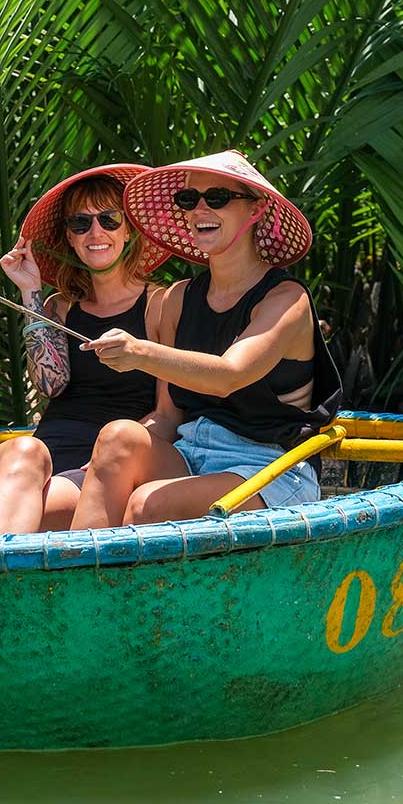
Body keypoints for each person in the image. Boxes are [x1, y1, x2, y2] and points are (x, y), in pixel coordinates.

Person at [69, 149, 342, 528]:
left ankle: (107, 585)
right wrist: (105, 461)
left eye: (217, 198)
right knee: (116, 437)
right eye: (188, 199)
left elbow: (229, 375)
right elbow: (167, 417)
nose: (199, 210)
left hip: (269, 467)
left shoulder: (286, 300)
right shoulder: (177, 300)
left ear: (255, 209)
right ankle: (80, 582)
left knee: (148, 504)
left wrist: (140, 352)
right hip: (191, 454)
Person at [0, 165, 171, 534]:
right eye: (81, 224)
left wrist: (108, 459)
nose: (96, 232)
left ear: (128, 228)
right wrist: (31, 293)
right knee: (23, 451)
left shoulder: (161, 304)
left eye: (109, 220)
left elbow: (168, 412)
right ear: (70, 237)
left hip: (107, 465)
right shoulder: (59, 307)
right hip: (40, 456)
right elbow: (51, 386)